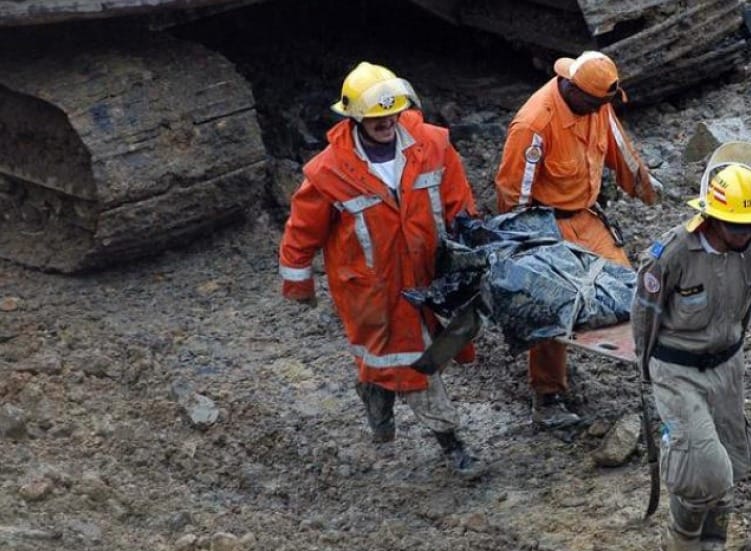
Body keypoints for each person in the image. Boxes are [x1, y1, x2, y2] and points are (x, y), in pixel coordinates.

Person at [278, 61, 484, 479]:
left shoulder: (432, 144)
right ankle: (452, 443)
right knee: (411, 363)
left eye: (391, 114)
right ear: (354, 117)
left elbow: (458, 203)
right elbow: (302, 230)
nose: (386, 123)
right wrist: (297, 280)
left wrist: (473, 250)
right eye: (376, 118)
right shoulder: (328, 171)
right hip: (372, 289)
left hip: (430, 278)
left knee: (408, 355)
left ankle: (377, 398)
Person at [631, 141, 751, 551]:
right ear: (712, 217)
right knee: (704, 467)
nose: (747, 234)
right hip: (678, 368)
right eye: (738, 226)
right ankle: (682, 540)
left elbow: (747, 302)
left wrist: (732, 351)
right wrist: (648, 374)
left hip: (725, 366)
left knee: (732, 464)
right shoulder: (670, 255)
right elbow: (645, 317)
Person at [495, 50, 664, 429]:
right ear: (573, 89)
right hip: (545, 226)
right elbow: (512, 192)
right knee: (550, 309)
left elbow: (621, 151)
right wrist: (522, 249)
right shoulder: (534, 125)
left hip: (586, 217)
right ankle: (548, 395)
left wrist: (645, 185)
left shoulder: (597, 106)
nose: (601, 110)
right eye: (596, 104)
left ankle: (659, 373)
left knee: (631, 294)